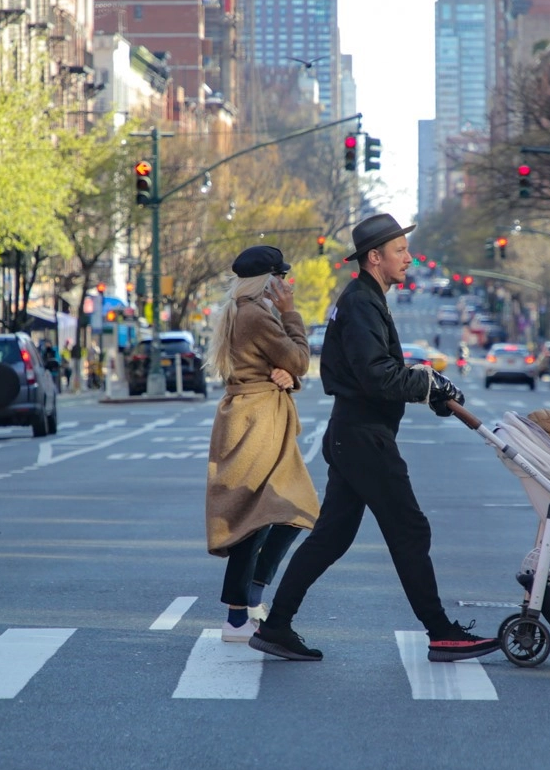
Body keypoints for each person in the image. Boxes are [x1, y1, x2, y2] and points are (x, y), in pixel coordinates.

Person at [252, 213, 497, 664]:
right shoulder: (362, 303)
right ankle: (441, 632)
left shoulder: (366, 299)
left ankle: (276, 625)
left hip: (356, 434)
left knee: (332, 537)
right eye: (400, 251)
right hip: (363, 437)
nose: (408, 258)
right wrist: (426, 382)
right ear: (374, 257)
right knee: (409, 529)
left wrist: (430, 389)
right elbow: (376, 375)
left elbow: (378, 373)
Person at [204, 246, 319, 642]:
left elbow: (285, 367)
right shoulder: (256, 314)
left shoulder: (245, 311)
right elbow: (299, 358)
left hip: (257, 418)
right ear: (267, 281)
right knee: (257, 517)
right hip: (257, 423)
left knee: (291, 509)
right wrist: (291, 314)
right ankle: (237, 617)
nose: (286, 283)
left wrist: (288, 377)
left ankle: (250, 600)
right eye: (281, 277)